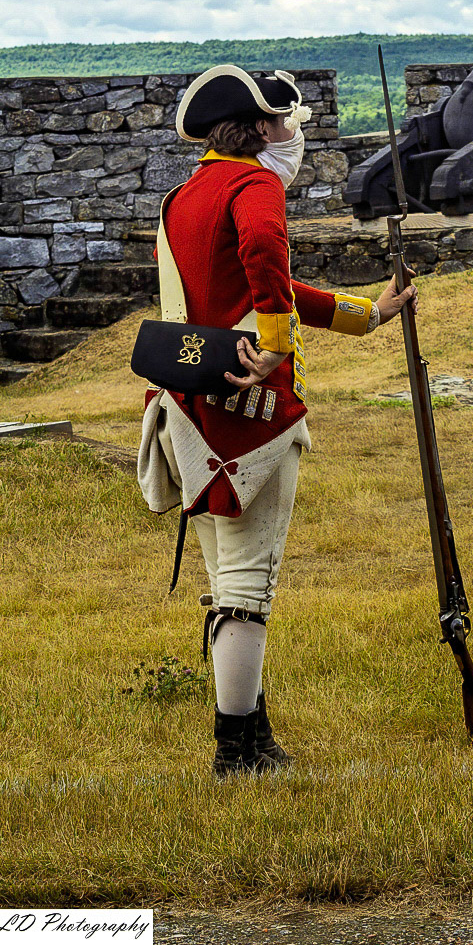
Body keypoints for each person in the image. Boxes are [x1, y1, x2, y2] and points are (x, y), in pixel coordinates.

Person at [137, 64, 417, 778]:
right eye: (286, 123)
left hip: (184, 409)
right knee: (247, 588)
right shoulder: (253, 184)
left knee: (229, 579)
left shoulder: (185, 194)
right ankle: (236, 751)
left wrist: (364, 315)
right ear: (260, 127)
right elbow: (265, 259)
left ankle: (254, 736)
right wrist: (274, 348)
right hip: (246, 418)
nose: (292, 136)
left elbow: (274, 286)